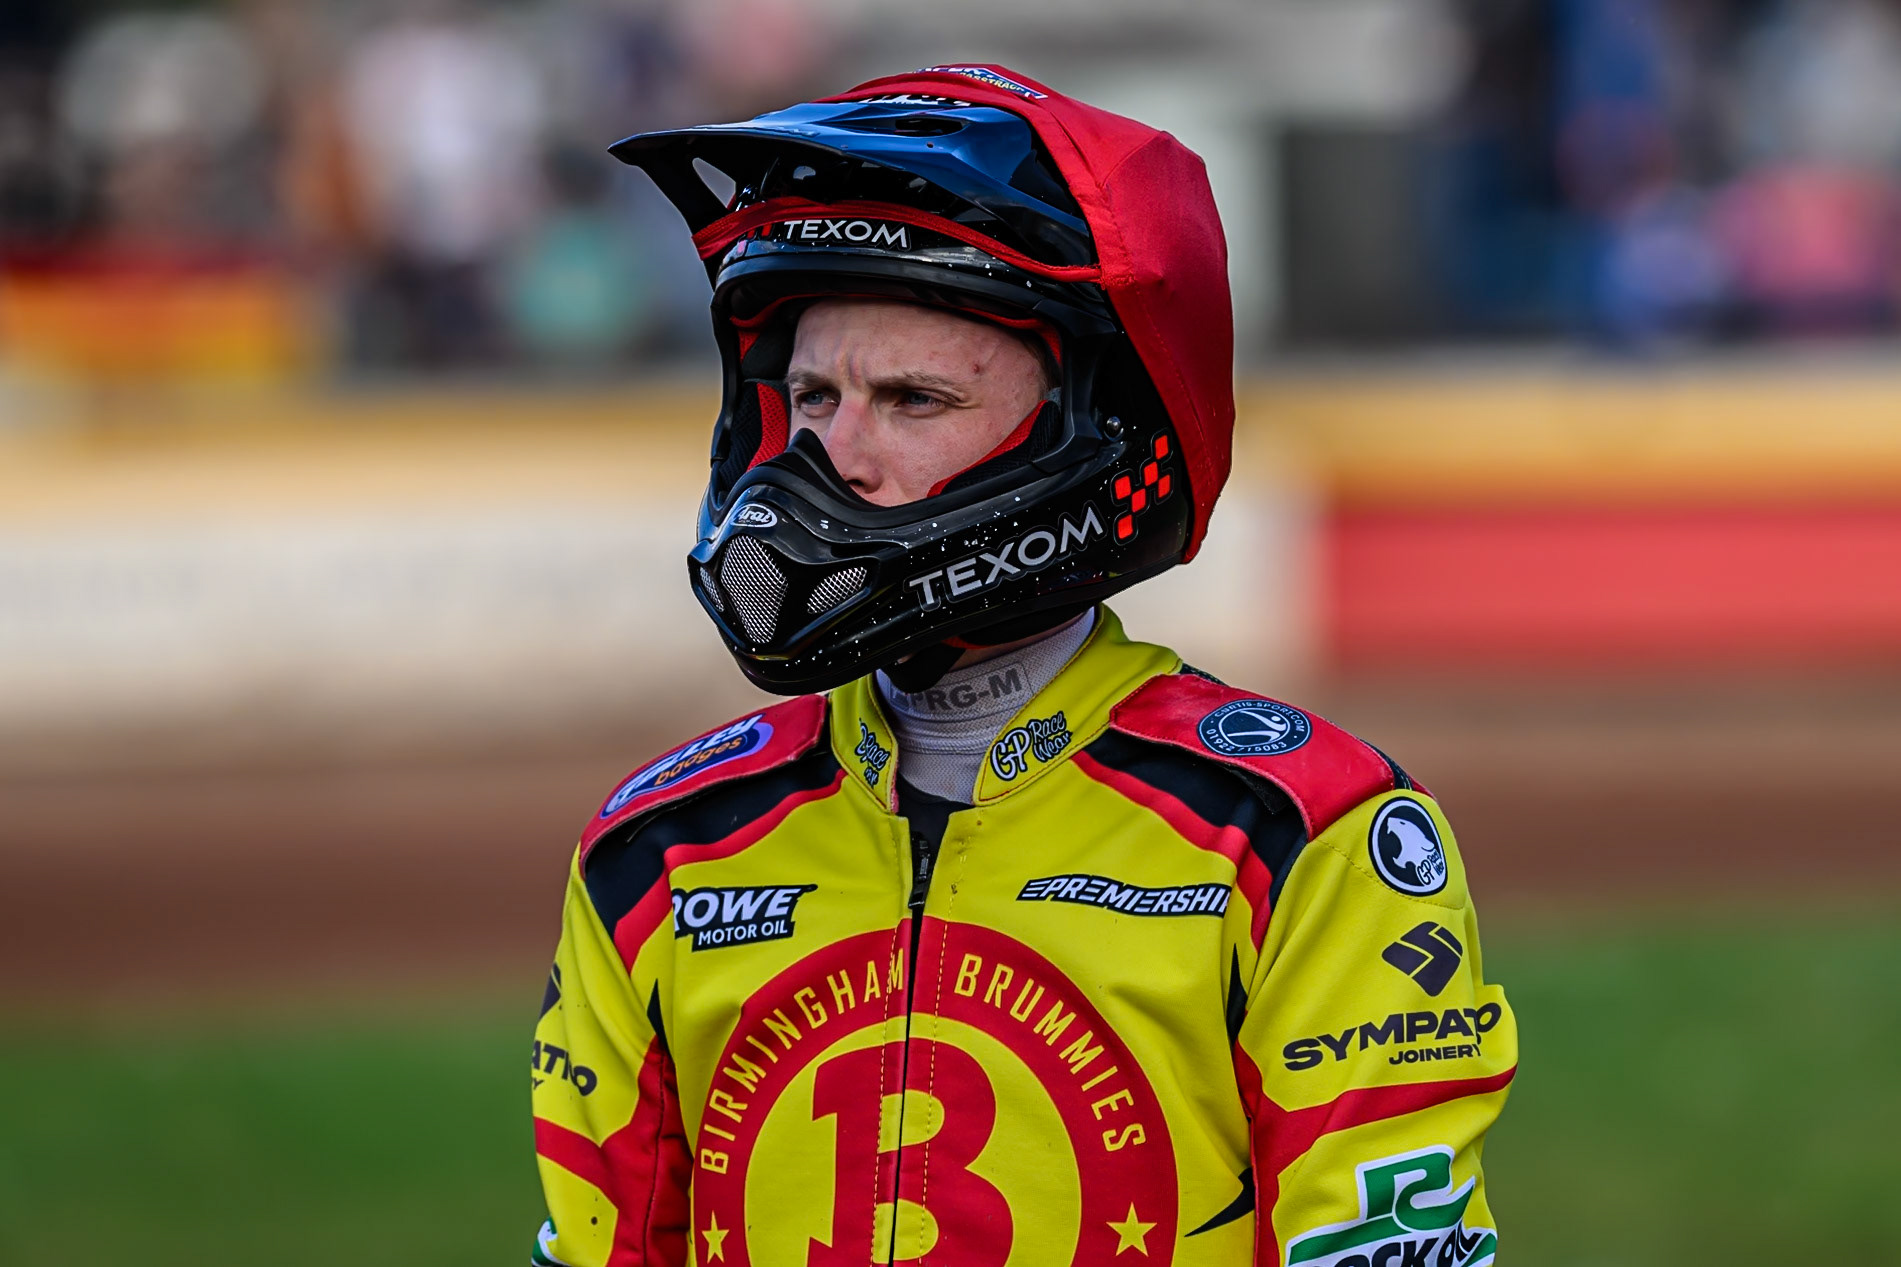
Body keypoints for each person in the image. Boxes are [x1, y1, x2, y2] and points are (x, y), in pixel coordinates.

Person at [529, 65, 1515, 1267]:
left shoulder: (1294, 831)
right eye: (809, 395)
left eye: (911, 397)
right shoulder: (657, 846)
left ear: (1084, 429)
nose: (831, 457)